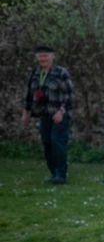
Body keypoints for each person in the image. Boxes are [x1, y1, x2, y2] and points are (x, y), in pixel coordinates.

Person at [22, 45, 74, 184]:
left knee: (58, 142)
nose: (43, 58)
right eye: (40, 56)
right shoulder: (36, 72)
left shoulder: (61, 73)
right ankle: (53, 173)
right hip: (44, 114)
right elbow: (29, 93)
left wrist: (61, 111)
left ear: (52, 56)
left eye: (46, 55)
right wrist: (26, 112)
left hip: (59, 115)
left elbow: (69, 95)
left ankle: (61, 175)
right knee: (47, 143)